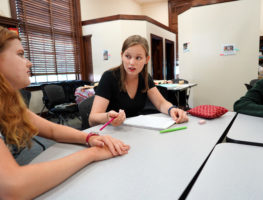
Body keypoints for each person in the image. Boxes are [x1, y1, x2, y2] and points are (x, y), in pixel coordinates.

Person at [0, 26, 130, 199]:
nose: (29, 62)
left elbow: (52, 130)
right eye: (20, 54)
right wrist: (91, 154)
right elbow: (13, 187)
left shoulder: (9, 105)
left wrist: (89, 138)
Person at [89, 35, 188, 127]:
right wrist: (107, 117)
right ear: (122, 55)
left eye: (138, 58)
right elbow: (92, 119)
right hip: (110, 132)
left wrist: (172, 109)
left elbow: (161, 103)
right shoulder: (109, 77)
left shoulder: (144, 77)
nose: (132, 63)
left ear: (146, 59)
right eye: (127, 56)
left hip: (133, 130)